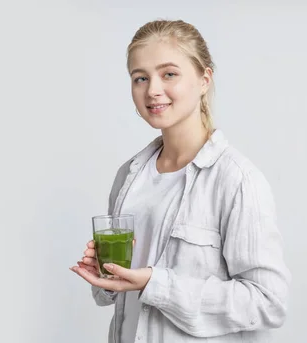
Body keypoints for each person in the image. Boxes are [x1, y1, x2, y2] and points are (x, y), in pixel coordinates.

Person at [69, 19, 290, 343]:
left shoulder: (237, 181)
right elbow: (116, 298)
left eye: (168, 74)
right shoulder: (130, 175)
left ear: (204, 79)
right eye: (140, 78)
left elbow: (268, 302)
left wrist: (153, 284)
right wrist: (104, 274)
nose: (152, 90)